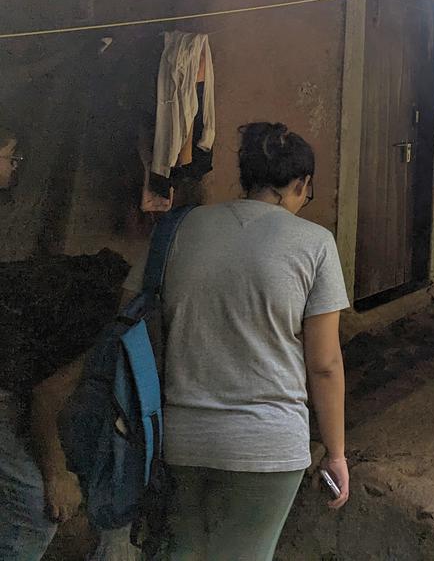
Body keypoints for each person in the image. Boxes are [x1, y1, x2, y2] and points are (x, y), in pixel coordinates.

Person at [154, 122, 350, 560]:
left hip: (181, 436)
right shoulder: (315, 243)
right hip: (267, 443)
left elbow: (138, 311)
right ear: (300, 184)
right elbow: (324, 364)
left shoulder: (180, 229)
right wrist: (336, 453)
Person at [0, 125, 134, 561]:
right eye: (11, 158)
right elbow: (48, 394)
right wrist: (55, 473)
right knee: (33, 512)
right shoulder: (101, 313)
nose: (15, 171)